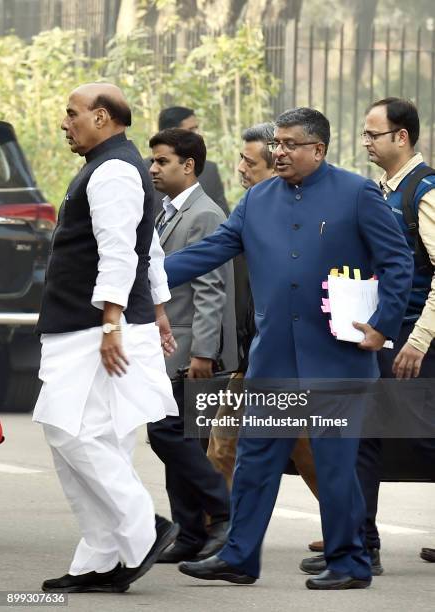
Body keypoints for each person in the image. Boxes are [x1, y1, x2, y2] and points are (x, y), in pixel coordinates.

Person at [164, 107, 413, 590]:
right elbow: (213, 249)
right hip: (274, 358)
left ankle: (349, 563)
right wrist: (148, 277)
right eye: (276, 143)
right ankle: (238, 556)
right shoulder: (257, 200)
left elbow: (398, 261)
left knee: (335, 465)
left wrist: (382, 327)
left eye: (290, 144)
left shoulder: (356, 194)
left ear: (318, 149)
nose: (279, 152)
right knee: (256, 460)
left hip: (337, 358)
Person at [33, 83, 179, 593]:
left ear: (101, 116)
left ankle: (143, 530)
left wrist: (113, 323)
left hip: (93, 328)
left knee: (71, 432)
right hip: (96, 325)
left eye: (71, 113)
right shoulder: (110, 164)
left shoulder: (113, 169)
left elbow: (123, 252)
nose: (64, 122)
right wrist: (157, 310)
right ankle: (101, 556)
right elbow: (152, 248)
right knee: (95, 438)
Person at [206, 123, 319, 518]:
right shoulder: (251, 209)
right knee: (223, 443)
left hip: (285, 357)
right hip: (254, 354)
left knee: (305, 450)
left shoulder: (299, 216)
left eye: (248, 161)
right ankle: (213, 527)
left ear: (275, 168)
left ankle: (354, 527)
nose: (240, 167)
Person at [147, 127, 237, 563]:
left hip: (188, 351)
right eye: (153, 161)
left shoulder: (205, 214)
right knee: (179, 440)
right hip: (168, 348)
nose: (153, 169)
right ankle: (188, 533)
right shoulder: (168, 211)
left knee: (167, 433)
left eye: (162, 161)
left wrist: (203, 351)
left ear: (188, 165)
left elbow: (210, 289)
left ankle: (224, 511)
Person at [359, 98, 435, 565]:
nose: (365, 142)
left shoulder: (422, 192)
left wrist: (419, 340)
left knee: (422, 437)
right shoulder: (382, 190)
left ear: (401, 137)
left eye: (373, 134)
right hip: (385, 335)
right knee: (364, 433)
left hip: (415, 337)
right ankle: (362, 544)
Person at [144, 106, 229, 216]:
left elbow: (223, 218)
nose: (198, 134)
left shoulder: (209, 171)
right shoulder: (141, 171)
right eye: (191, 130)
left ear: (189, 166)